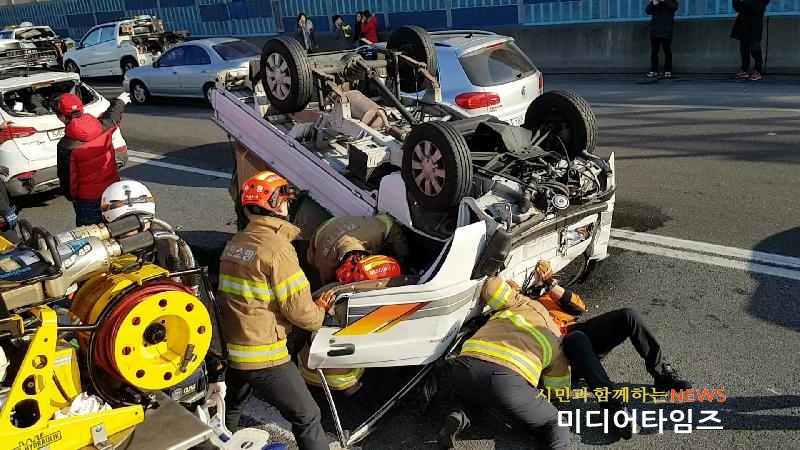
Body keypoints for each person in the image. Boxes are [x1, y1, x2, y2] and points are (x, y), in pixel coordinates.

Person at [216, 170, 335, 450]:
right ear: (274, 204)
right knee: (307, 416)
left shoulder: (236, 243)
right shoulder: (277, 249)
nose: (288, 206)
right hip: (264, 356)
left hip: (234, 352)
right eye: (285, 201)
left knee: (229, 410)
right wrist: (321, 313)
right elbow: (300, 311)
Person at [521, 260, 692, 439]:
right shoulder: (515, 306)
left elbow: (579, 308)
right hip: (558, 355)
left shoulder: (544, 296)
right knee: (575, 339)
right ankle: (614, 408)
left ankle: (662, 374)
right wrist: (514, 299)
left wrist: (550, 285)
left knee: (629, 315)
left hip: (576, 333)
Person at [437, 273, 571, 450]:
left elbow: (491, 287)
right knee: (555, 422)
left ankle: (458, 417)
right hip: (506, 382)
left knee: (474, 396)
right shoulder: (557, 340)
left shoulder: (524, 303)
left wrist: (508, 287)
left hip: (464, 367)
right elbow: (558, 390)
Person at [297, 253, 402, 396]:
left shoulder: (334, 289)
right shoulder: (380, 308)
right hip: (341, 383)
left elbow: (304, 310)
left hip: (304, 372)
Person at [55, 91, 131, 226]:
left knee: (92, 235)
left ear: (62, 117)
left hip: (88, 200)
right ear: (81, 109)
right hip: (112, 191)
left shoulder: (67, 145)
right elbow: (114, 115)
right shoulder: (102, 125)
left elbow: (69, 179)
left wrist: (72, 197)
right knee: (117, 229)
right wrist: (120, 101)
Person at [306, 213, 410, 285]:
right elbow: (328, 287)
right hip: (323, 233)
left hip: (341, 223)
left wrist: (404, 256)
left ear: (366, 257)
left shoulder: (373, 232)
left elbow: (389, 222)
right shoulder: (325, 264)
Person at [730, 0, 771, 81]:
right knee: (743, 48)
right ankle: (744, 70)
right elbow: (737, 8)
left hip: (754, 24)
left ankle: (758, 71)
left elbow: (758, 7)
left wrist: (745, 2)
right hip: (743, 23)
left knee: (754, 48)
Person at [645, 0, 679, 80]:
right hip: (655, 31)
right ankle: (654, 70)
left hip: (667, 31)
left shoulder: (671, 1)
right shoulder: (655, 1)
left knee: (667, 51)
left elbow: (674, 8)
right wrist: (654, 4)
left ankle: (668, 70)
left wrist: (665, 1)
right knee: (654, 51)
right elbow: (648, 11)